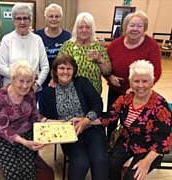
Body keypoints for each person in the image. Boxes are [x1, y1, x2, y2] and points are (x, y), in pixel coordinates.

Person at [91, 60, 171, 180]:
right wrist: (85, 121)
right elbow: (108, 117)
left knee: (131, 177)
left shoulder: (160, 106)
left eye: (145, 81)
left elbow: (163, 142)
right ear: (130, 82)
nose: (140, 85)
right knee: (109, 166)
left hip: (150, 147)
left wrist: (146, 162)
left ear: (152, 82)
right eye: (136, 81)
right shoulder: (126, 98)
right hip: (127, 140)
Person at [41, 54, 109, 180]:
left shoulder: (82, 82)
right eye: (61, 68)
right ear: (55, 71)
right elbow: (45, 116)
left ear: (74, 70)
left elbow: (97, 103)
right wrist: (58, 125)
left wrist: (86, 120)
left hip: (91, 128)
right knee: (80, 163)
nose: (65, 72)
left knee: (99, 161)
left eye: (69, 68)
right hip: (68, 133)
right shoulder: (48, 92)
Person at [0, 60, 59, 179]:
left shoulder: (30, 92)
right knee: (12, 173)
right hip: (0, 137)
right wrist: (25, 143)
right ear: (13, 79)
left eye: (28, 81)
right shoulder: (0, 97)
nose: (25, 85)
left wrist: (49, 122)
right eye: (21, 81)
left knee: (29, 171)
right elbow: (3, 128)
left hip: (25, 132)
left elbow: (34, 115)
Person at [105, 11, 162, 143]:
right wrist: (110, 76)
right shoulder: (115, 45)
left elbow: (156, 72)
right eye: (132, 25)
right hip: (116, 90)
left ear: (144, 28)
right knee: (111, 118)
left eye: (139, 26)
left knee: (133, 121)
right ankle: (109, 142)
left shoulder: (151, 46)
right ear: (125, 27)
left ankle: (129, 145)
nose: (135, 29)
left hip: (139, 93)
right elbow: (106, 66)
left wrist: (141, 88)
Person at [0, 3, 49, 94]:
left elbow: (45, 66)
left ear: (30, 20)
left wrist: (37, 84)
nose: (22, 22)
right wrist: (25, 77)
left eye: (25, 18)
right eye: (18, 18)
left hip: (32, 89)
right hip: (12, 89)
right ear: (13, 21)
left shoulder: (37, 39)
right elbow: (1, 67)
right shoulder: (7, 39)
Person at [58, 12, 111, 95]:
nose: (84, 30)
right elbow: (57, 68)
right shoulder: (67, 46)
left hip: (93, 95)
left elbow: (107, 71)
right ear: (76, 29)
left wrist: (99, 59)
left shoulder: (98, 45)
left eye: (87, 27)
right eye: (81, 27)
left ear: (92, 29)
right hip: (71, 94)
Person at [35, 3, 71, 110]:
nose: (54, 19)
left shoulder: (67, 36)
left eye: (57, 16)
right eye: (51, 16)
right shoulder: (38, 35)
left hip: (62, 78)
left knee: (60, 109)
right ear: (45, 18)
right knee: (43, 108)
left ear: (61, 18)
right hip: (42, 79)